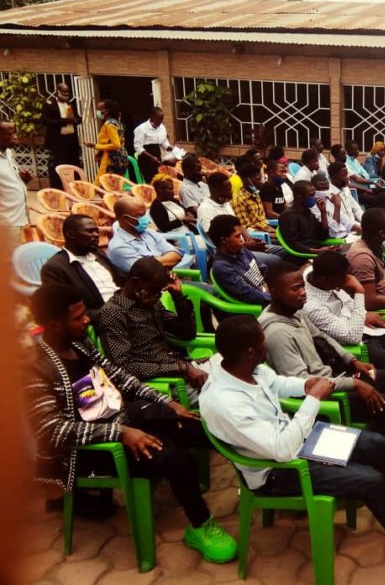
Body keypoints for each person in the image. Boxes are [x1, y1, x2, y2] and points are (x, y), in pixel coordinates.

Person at [199, 315, 385, 583]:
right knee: (372, 482)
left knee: (378, 445)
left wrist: (305, 384)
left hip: (298, 440)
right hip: (277, 470)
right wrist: (313, 400)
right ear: (250, 351)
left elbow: (276, 383)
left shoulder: (244, 367)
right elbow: (281, 450)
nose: (266, 346)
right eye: (262, 343)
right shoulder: (226, 403)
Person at [26, 284, 238, 564]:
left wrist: (167, 403)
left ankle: (261, 479)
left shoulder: (80, 345)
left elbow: (120, 377)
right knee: (177, 458)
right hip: (93, 450)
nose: (87, 320)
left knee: (195, 427)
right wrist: (120, 432)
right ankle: (200, 526)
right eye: (78, 317)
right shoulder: (35, 369)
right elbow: (54, 431)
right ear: (54, 326)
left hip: (122, 421)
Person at [258, 261, 385, 449]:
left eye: (303, 286)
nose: (303, 293)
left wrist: (352, 361)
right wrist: (355, 383)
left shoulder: (293, 311)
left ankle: (379, 433)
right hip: (326, 396)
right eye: (296, 289)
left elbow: (321, 336)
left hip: (335, 375)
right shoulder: (277, 333)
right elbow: (303, 382)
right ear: (275, 292)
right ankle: (382, 450)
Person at [303, 251, 385, 389]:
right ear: (325, 280)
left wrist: (363, 314)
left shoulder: (320, 276)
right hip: (357, 346)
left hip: (368, 332)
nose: (346, 282)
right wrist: (359, 291)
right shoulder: (311, 307)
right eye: (342, 280)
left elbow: (349, 303)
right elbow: (352, 336)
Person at [96, 256, 209, 389]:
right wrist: (182, 368)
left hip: (182, 366)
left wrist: (178, 297)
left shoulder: (151, 302)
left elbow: (187, 334)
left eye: (159, 293)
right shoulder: (113, 313)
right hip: (165, 382)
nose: (157, 297)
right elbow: (124, 366)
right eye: (154, 292)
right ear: (135, 282)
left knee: (231, 364)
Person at [40, 214, 124, 320]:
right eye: (90, 231)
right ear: (70, 234)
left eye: (96, 231)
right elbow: (65, 310)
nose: (96, 235)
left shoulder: (98, 253)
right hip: (101, 317)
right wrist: (110, 314)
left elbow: (120, 279)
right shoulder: (55, 268)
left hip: (123, 306)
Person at [197, 172, 286, 266]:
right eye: (227, 189)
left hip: (244, 247)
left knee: (284, 251)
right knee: (277, 260)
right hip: (234, 254)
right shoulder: (206, 209)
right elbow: (217, 242)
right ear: (215, 189)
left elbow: (239, 225)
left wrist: (249, 239)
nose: (231, 191)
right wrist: (246, 246)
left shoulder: (225, 204)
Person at [107, 196, 182, 273]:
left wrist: (151, 262)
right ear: (126, 218)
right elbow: (145, 271)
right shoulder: (119, 246)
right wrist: (167, 259)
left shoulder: (149, 232)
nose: (145, 219)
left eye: (144, 214)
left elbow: (176, 255)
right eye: (140, 216)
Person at [209, 214, 270, 306]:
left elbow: (263, 269)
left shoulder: (241, 249)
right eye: (237, 236)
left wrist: (271, 284)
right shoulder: (221, 267)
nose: (242, 240)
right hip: (258, 306)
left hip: (267, 293)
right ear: (224, 240)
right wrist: (277, 298)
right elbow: (249, 295)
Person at [278, 180, 338, 257]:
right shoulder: (288, 216)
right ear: (300, 196)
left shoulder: (308, 213)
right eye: (311, 195)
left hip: (316, 250)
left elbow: (323, 236)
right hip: (302, 256)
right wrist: (317, 251)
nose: (315, 198)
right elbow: (293, 244)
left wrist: (323, 212)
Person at [43, 83, 82, 189]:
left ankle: (74, 186)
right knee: (59, 165)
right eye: (63, 92)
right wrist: (64, 121)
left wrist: (76, 120)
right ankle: (60, 187)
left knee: (73, 163)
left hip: (71, 140)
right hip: (58, 141)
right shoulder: (49, 103)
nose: (66, 94)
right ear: (57, 91)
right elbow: (46, 121)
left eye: (67, 92)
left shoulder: (70, 103)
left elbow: (78, 117)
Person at [0, 121, 31, 250]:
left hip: (22, 218)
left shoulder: (8, 153)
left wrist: (23, 179)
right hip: (7, 224)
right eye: (10, 133)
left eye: (15, 131)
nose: (15, 136)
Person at [233, 162, 278, 237]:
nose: (261, 181)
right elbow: (246, 229)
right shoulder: (239, 200)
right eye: (258, 179)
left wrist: (276, 233)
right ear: (247, 180)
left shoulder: (256, 194)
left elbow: (263, 222)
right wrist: (272, 235)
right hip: (256, 236)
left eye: (261, 178)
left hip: (266, 230)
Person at [85, 99, 126, 177]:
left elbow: (116, 144)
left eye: (99, 109)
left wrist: (95, 146)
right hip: (120, 158)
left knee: (102, 185)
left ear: (106, 111)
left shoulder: (109, 124)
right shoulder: (117, 123)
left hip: (111, 159)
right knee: (115, 185)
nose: (97, 112)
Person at [310, 172, 358, 240]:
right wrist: (337, 207)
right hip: (334, 240)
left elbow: (347, 222)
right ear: (313, 189)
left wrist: (364, 232)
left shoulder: (330, 200)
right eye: (321, 189)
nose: (325, 192)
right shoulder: (313, 206)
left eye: (327, 188)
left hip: (346, 235)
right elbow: (333, 229)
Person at [133, 107, 176, 183]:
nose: (160, 121)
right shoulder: (141, 129)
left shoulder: (162, 127)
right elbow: (138, 147)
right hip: (146, 158)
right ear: (152, 117)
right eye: (158, 119)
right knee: (152, 181)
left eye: (162, 119)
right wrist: (151, 157)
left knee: (160, 180)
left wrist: (175, 149)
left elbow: (164, 143)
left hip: (157, 155)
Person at [328, 160, 364, 229]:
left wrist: (366, 221)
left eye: (347, 174)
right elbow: (342, 220)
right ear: (334, 177)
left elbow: (356, 209)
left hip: (355, 226)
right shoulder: (330, 194)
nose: (347, 177)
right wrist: (359, 227)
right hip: (343, 230)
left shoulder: (346, 189)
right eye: (344, 175)